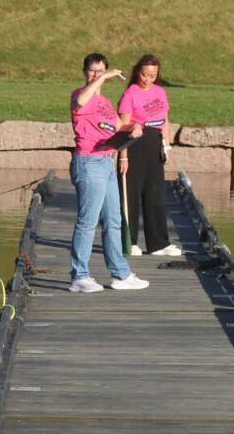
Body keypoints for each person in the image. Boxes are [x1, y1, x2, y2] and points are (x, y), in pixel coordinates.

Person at [68, 52, 150, 293]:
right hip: (88, 163)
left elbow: (116, 126)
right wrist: (103, 77)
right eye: (93, 71)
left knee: (113, 221)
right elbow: (81, 102)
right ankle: (79, 277)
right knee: (87, 221)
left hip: (106, 163)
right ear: (85, 73)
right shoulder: (79, 95)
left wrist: (133, 126)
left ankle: (120, 274)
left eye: (100, 70)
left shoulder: (104, 103)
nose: (96, 74)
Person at [117, 54, 180, 257]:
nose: (148, 79)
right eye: (145, 74)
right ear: (138, 72)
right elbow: (122, 127)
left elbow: (165, 121)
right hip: (134, 144)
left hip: (155, 143)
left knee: (155, 194)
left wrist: (167, 147)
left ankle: (158, 244)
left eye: (153, 75)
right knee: (131, 194)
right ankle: (130, 241)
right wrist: (123, 156)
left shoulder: (160, 92)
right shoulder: (130, 94)